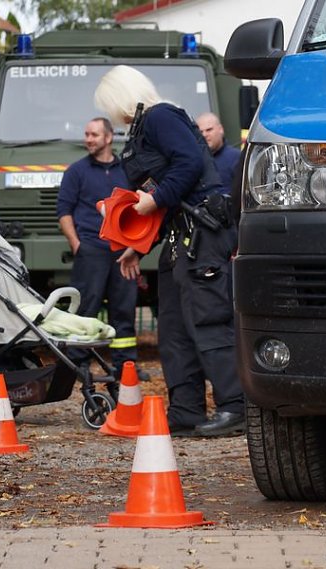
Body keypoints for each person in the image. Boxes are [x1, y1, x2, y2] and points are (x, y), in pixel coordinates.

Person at [94, 65, 245, 438]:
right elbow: (167, 201)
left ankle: (235, 405)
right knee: (174, 329)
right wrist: (137, 247)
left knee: (209, 319)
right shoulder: (145, 127)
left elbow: (189, 164)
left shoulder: (161, 117)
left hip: (204, 232)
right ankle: (185, 411)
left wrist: (156, 198)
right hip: (180, 235)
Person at [56, 117, 143, 390]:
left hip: (122, 253)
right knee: (85, 310)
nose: (88, 139)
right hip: (91, 250)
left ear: (108, 137)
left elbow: (140, 208)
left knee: (124, 311)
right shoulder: (76, 171)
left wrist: (134, 247)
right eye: (86, 134)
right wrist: (77, 244)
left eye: (94, 135)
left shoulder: (128, 170)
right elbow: (64, 212)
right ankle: (78, 365)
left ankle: (126, 367)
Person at [196, 112, 242, 189]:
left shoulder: (236, 157)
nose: (204, 135)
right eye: (200, 132)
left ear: (221, 129)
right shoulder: (195, 161)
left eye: (209, 130)